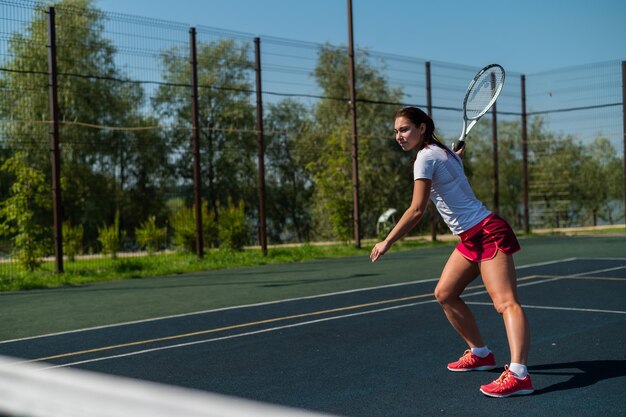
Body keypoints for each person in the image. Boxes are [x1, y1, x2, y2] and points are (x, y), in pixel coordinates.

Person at [370, 106, 534, 398]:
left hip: (487, 232)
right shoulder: (443, 153)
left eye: (404, 129)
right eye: (396, 131)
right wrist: (456, 155)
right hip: (470, 238)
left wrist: (388, 241)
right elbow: (447, 174)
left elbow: (417, 210)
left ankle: (519, 374)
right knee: (445, 293)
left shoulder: (426, 158)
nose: (399, 136)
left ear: (422, 128)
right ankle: (481, 353)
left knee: (505, 303)